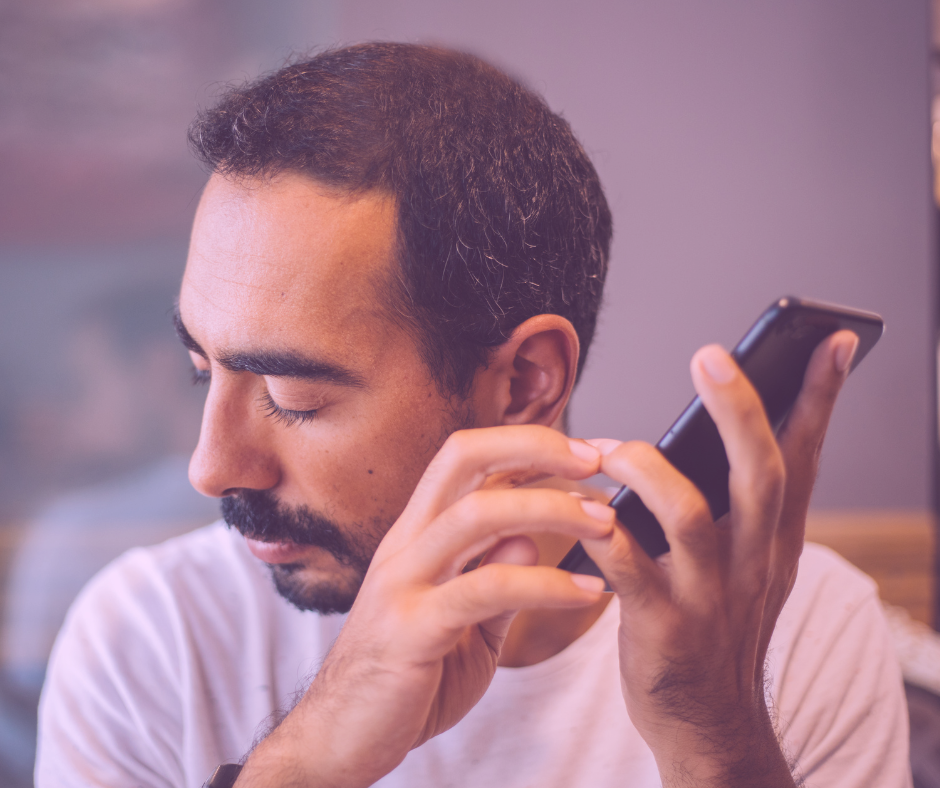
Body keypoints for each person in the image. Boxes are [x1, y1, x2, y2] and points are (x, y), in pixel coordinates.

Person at [35, 43, 911, 787]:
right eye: (202, 371)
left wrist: (719, 743)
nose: (211, 466)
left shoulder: (799, 634)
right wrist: (305, 761)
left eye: (294, 398)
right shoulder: (151, 637)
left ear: (526, 381)